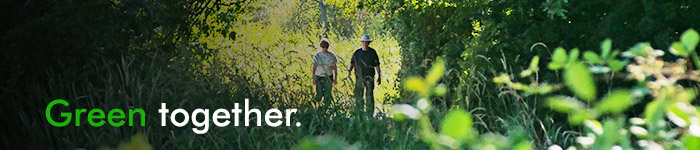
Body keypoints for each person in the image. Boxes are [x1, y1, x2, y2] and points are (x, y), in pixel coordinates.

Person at [347, 35, 381, 118]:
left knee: (369, 96)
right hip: (359, 78)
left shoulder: (372, 52)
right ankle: (359, 112)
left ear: (369, 43)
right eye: (364, 42)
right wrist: (349, 72)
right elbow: (352, 63)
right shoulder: (357, 53)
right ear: (362, 42)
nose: (365, 43)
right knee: (359, 96)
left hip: (370, 77)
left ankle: (369, 114)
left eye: (367, 42)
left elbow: (377, 65)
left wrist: (379, 76)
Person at [312, 38, 337, 113]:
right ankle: (318, 109)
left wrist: (335, 79)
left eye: (326, 46)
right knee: (319, 94)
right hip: (319, 76)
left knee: (327, 94)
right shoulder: (317, 55)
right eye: (323, 46)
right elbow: (314, 67)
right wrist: (313, 78)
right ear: (321, 46)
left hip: (328, 77)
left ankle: (326, 109)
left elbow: (335, 68)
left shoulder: (332, 55)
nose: (324, 48)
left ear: (328, 46)